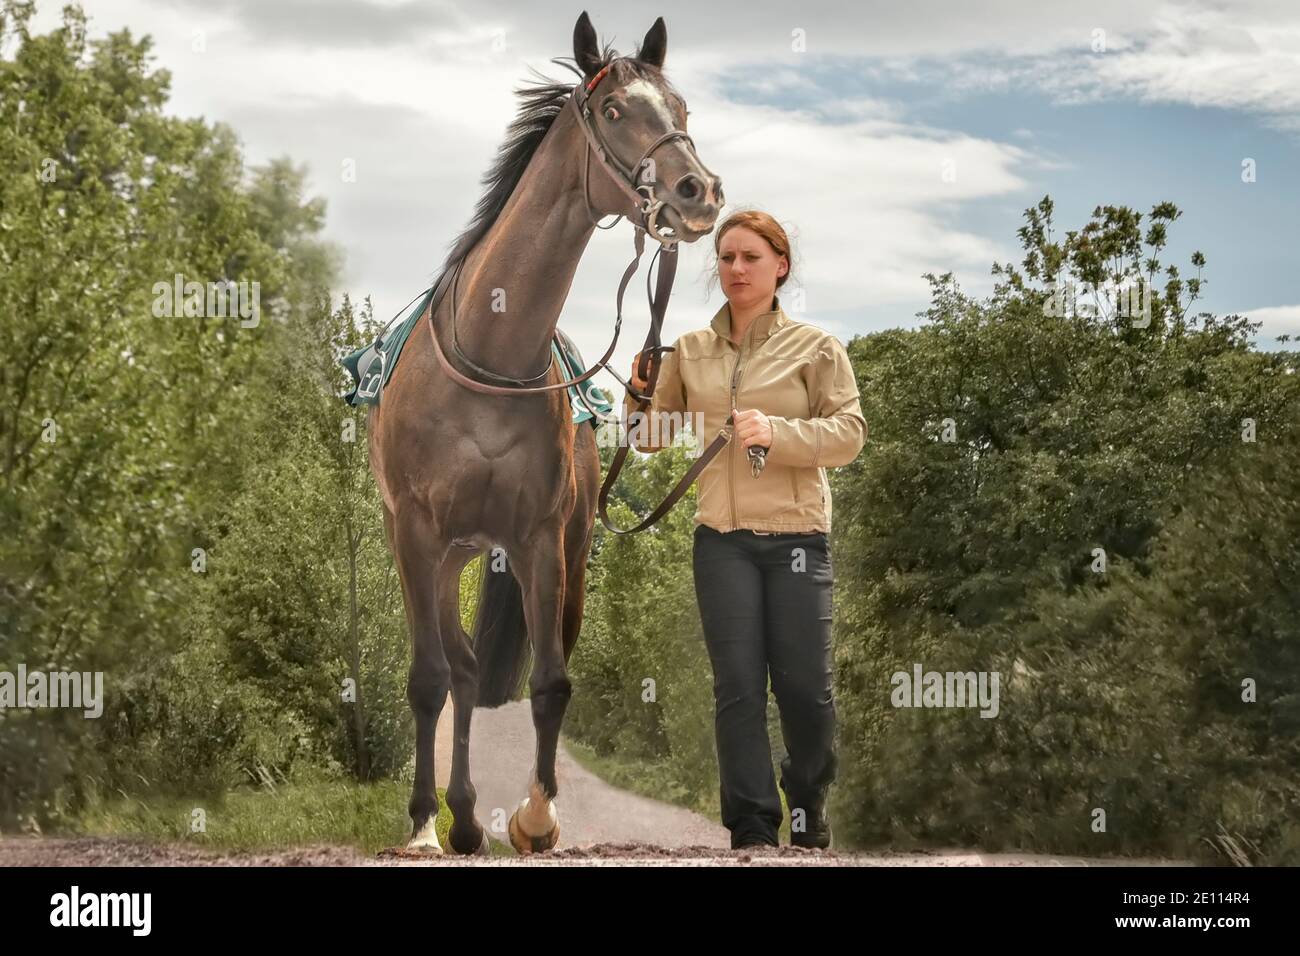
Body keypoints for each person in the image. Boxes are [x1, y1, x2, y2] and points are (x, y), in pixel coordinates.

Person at [624, 209, 868, 849]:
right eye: (727, 257)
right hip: (722, 543)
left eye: (750, 258)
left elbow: (848, 436)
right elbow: (649, 440)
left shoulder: (817, 349)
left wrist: (779, 434)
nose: (735, 268)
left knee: (806, 695)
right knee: (737, 690)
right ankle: (753, 830)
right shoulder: (690, 351)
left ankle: (808, 806)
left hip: (796, 542)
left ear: (780, 267)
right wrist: (637, 390)